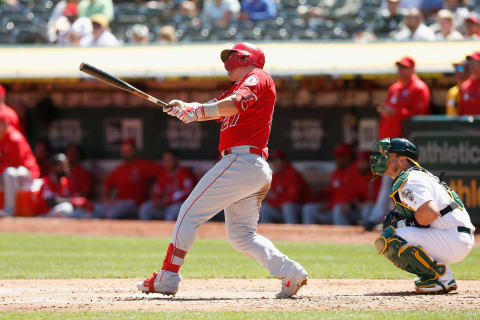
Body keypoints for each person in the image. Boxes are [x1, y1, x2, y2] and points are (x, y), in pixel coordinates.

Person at [137, 43, 308, 299]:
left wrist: (196, 111)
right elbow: (215, 107)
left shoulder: (257, 76)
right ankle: (290, 271)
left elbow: (235, 104)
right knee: (242, 236)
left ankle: (168, 276)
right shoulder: (237, 87)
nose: (228, 62)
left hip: (242, 161)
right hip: (251, 167)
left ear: (246, 58)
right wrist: (185, 107)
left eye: (232, 57)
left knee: (188, 213)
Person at [370, 137, 474, 294]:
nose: (380, 158)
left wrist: (404, 224)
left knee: (390, 237)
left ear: (402, 159)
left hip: (452, 238)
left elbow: (430, 213)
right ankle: (439, 274)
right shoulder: (418, 176)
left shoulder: (410, 179)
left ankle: (440, 277)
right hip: (453, 235)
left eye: (387, 154)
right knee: (395, 231)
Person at [370, 56, 430, 228]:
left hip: (405, 146)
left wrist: (395, 112)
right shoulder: (394, 88)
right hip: (389, 142)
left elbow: (419, 114)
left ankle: (393, 218)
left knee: (403, 183)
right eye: (399, 67)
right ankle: (380, 217)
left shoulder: (419, 88)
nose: (401, 70)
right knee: (387, 181)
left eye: (404, 67)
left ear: (412, 69)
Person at [100, 139, 159, 219]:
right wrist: (106, 199)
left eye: (128, 150)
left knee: (113, 212)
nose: (125, 153)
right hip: (120, 202)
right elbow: (107, 185)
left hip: (135, 204)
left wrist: (156, 196)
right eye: (123, 150)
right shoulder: (119, 169)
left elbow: (163, 172)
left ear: (134, 151)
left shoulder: (143, 165)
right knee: (99, 209)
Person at [302, 144, 355, 225]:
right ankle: (310, 236)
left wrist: (329, 205)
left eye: (340, 156)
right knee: (308, 209)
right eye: (336, 156)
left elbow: (348, 197)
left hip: (348, 211)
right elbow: (333, 191)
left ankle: (343, 237)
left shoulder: (355, 172)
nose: (337, 159)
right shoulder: (336, 173)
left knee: (338, 210)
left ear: (348, 157)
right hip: (332, 208)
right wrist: (321, 193)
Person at [0, 112, 39, 216]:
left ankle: (9, 209)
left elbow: (16, 164)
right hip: (9, 172)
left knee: (9, 173)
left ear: (5, 124)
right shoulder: (1, 138)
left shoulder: (15, 138)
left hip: (27, 173)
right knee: (8, 173)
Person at [138, 150, 196, 220]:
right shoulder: (163, 174)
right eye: (165, 160)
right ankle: (145, 230)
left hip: (177, 206)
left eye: (170, 160)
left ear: (176, 160)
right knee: (145, 208)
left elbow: (188, 191)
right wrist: (157, 201)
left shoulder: (184, 173)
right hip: (164, 206)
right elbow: (157, 192)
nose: (167, 162)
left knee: (176, 209)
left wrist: (170, 199)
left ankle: (170, 230)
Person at [259, 150, 311, 224]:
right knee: (264, 209)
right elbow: (269, 197)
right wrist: (277, 201)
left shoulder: (293, 175)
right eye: (273, 161)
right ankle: (269, 233)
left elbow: (293, 199)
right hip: (280, 208)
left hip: (299, 208)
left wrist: (276, 200)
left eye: (278, 161)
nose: (275, 164)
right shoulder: (275, 175)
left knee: (288, 207)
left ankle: (292, 232)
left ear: (285, 162)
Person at [36, 153, 91, 218]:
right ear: (54, 167)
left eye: (66, 165)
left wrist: (81, 201)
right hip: (45, 213)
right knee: (66, 208)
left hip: (61, 211)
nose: (66, 168)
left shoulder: (65, 181)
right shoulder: (46, 181)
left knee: (87, 211)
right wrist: (72, 201)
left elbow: (74, 196)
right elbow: (51, 201)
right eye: (62, 165)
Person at [458, 51, 480, 116]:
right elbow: (461, 110)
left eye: (474, 62)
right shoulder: (465, 85)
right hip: (468, 125)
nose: (471, 65)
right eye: (470, 62)